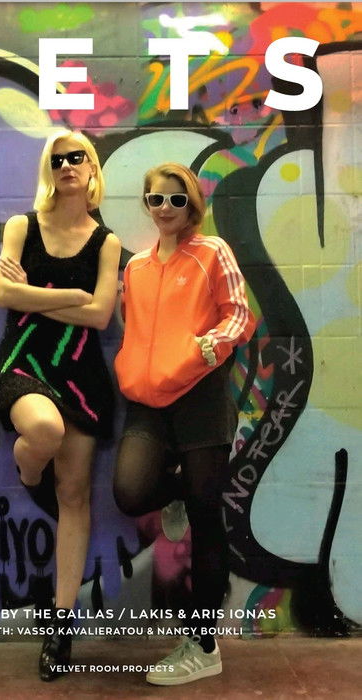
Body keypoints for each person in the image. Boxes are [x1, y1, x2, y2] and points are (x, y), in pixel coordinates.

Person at [113, 162, 255, 686]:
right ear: (147, 205)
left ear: (191, 203)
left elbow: (238, 313)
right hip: (148, 401)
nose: (166, 208)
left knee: (206, 515)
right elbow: (134, 328)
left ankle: (203, 644)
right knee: (130, 490)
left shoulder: (212, 251)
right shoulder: (136, 267)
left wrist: (211, 344)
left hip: (201, 395)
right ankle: (174, 492)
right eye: (156, 199)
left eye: (176, 199)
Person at [0, 129, 121, 681]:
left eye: (78, 157)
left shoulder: (106, 242)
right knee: (43, 430)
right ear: (49, 170)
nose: (68, 165)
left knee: (73, 495)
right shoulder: (21, 226)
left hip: (82, 375)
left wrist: (37, 297)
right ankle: (28, 471)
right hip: (23, 360)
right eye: (58, 158)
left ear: (92, 169)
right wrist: (72, 296)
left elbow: (101, 316)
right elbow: (4, 295)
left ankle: (61, 625)